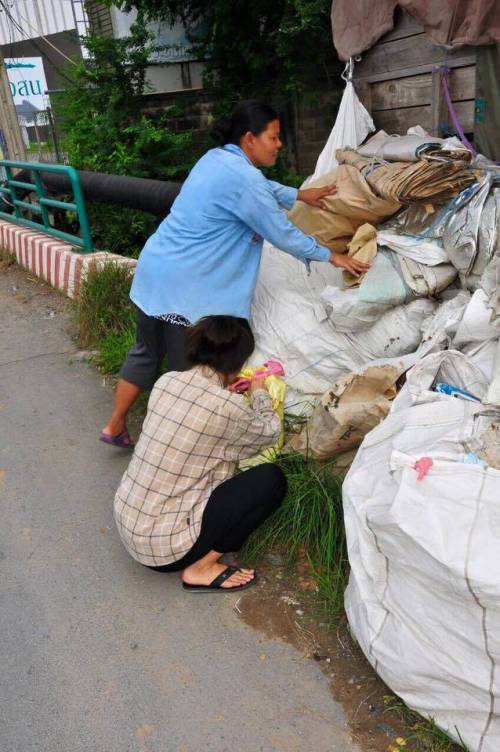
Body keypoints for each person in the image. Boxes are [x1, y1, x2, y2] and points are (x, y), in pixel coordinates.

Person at [100, 100, 370, 448]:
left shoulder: (215, 159)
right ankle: (179, 447)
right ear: (249, 139)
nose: (279, 144)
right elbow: (282, 233)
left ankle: (115, 425)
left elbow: (260, 188)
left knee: (145, 353)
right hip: (186, 288)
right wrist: (331, 256)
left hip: (155, 271)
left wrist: (300, 194)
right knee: (192, 376)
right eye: (273, 137)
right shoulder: (244, 179)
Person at [114, 315, 287, 592]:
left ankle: (198, 556)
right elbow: (270, 432)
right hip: (163, 548)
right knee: (271, 480)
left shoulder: (167, 381)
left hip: (129, 520)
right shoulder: (227, 408)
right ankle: (201, 568)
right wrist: (258, 393)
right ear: (239, 363)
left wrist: (224, 394)